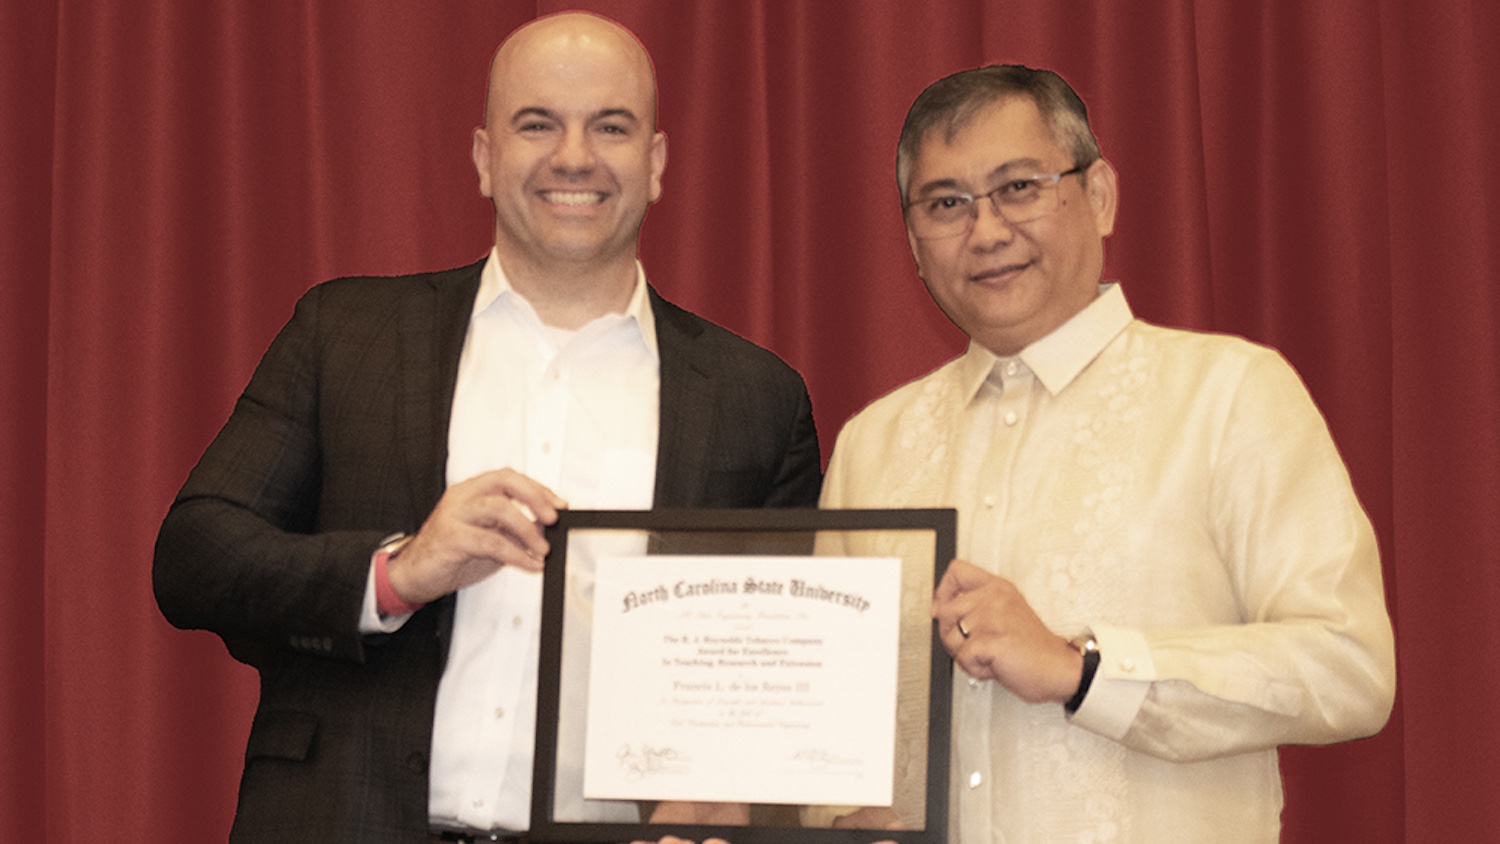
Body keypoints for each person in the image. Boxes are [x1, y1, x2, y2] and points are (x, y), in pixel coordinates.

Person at [153, 12, 821, 844]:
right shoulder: (345, 332)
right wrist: (398, 572)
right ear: (483, 157)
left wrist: (731, 807)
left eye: (609, 126)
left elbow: (778, 676)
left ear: (654, 165)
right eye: (536, 123)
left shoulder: (758, 399)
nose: (573, 155)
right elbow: (193, 556)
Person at [819, 65, 1396, 842]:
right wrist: (831, 814)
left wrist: (1086, 669)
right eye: (946, 203)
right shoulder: (872, 445)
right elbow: (828, 717)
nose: (985, 231)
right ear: (914, 243)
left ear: (1099, 197)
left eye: (1019, 187)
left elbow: (1347, 666)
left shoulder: (1229, 396)